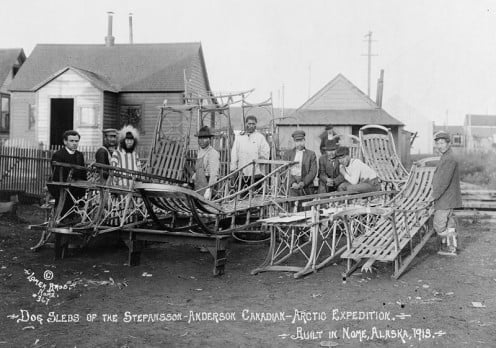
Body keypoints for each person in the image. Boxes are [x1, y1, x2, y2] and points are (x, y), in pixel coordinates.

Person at [431, 131, 461, 256]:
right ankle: (451, 247)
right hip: (448, 197)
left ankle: (451, 240)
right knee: (448, 221)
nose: (440, 146)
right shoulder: (447, 156)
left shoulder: (449, 158)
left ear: (449, 143)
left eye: (442, 143)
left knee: (438, 225)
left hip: (445, 198)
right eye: (438, 143)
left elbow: (443, 181)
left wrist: (433, 196)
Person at [49, 130, 87, 218]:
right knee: (64, 206)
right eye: (71, 141)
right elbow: (56, 174)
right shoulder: (58, 155)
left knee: (78, 206)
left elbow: (83, 173)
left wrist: (83, 189)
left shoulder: (79, 155)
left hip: (77, 186)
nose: (74, 143)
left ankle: (73, 220)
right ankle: (61, 220)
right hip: (61, 186)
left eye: (76, 141)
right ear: (65, 142)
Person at [230, 115, 270, 190]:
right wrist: (233, 168)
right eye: (249, 123)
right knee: (241, 195)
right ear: (246, 124)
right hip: (242, 172)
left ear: (256, 125)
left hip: (256, 173)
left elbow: (266, 151)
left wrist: (262, 158)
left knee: (255, 196)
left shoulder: (260, 137)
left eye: (253, 124)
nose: (251, 126)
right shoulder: (239, 137)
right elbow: (234, 153)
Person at [282, 130, 317, 196]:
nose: (299, 144)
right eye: (297, 141)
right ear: (294, 142)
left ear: (304, 141)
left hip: (306, 185)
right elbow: (284, 170)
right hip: (291, 185)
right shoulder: (287, 154)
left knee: (306, 204)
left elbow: (313, 171)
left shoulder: (311, 154)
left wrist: (303, 183)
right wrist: (292, 183)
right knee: (292, 204)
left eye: (301, 141)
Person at [193, 126, 220, 200]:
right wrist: (194, 176)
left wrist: (209, 189)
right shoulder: (200, 152)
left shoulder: (213, 153)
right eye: (200, 138)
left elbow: (214, 174)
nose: (201, 141)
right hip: (199, 185)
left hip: (208, 183)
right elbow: (199, 169)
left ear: (209, 139)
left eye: (204, 138)